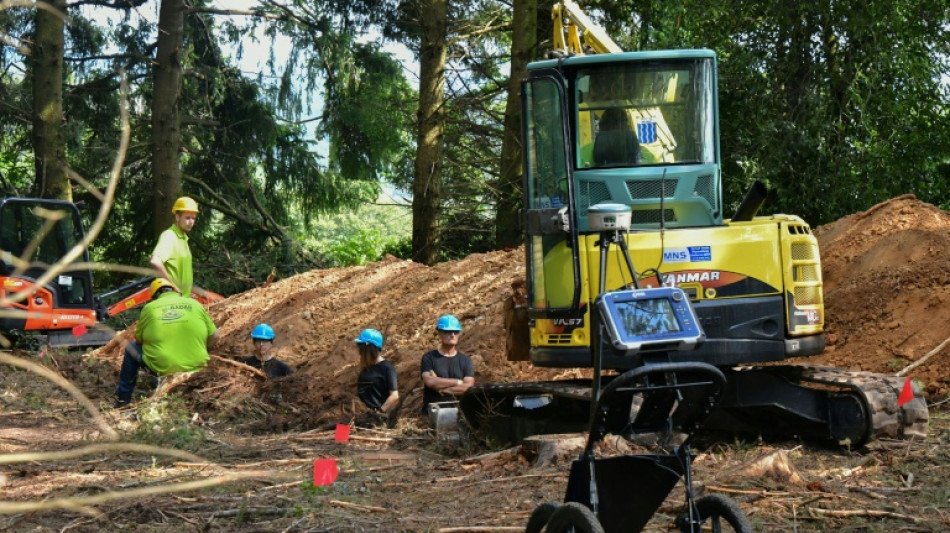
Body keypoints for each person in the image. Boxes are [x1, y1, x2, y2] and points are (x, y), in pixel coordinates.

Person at [113, 278, 219, 408]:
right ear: (175, 291)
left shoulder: (149, 308)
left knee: (131, 348)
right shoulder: (195, 304)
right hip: (198, 364)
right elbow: (215, 335)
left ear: (155, 295)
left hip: (164, 368)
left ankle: (123, 400)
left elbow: (139, 340)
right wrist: (203, 349)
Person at [420, 314, 475, 414]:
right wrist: (458, 382)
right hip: (432, 415)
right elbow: (429, 381)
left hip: (458, 415)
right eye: (448, 331)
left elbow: (469, 387)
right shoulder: (429, 358)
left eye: (456, 332)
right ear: (440, 333)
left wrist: (442, 388)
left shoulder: (466, 360)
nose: (452, 334)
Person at [150, 196, 198, 298]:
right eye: (187, 217)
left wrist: (188, 294)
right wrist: (172, 286)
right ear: (177, 217)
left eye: (193, 218)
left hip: (182, 300)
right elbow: (155, 261)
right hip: (171, 301)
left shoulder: (184, 238)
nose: (191, 222)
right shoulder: (169, 236)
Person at [354, 329, 399, 423]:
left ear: (369, 349)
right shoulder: (366, 368)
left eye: (361, 348)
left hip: (377, 421)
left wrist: (379, 413)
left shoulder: (387, 368)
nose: (359, 352)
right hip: (363, 417)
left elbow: (394, 396)